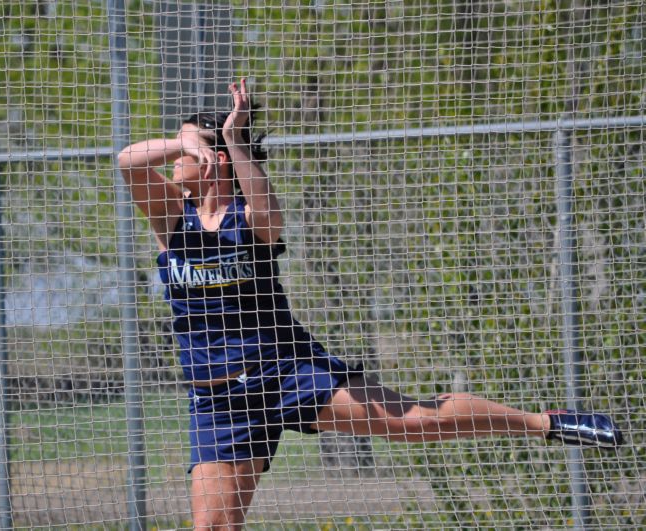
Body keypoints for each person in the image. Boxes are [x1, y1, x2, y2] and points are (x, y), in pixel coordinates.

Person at [117, 79, 624, 530]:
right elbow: (127, 161)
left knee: (414, 422)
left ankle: (546, 423)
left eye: (186, 148)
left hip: (281, 369)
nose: (175, 158)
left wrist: (228, 136)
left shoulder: (248, 217)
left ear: (217, 160)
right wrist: (185, 137)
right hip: (217, 399)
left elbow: (269, 214)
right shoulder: (170, 217)